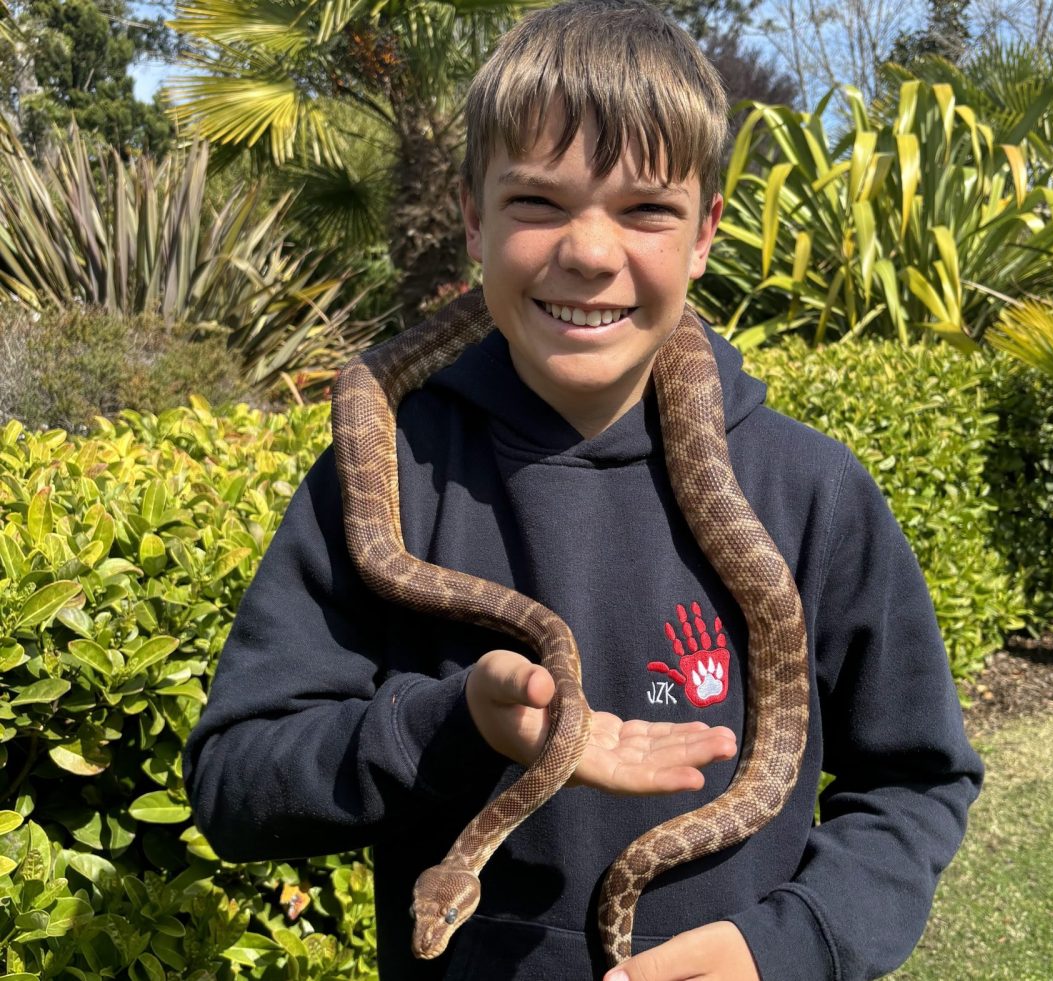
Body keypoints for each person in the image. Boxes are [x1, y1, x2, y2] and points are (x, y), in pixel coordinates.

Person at [182, 1, 984, 978]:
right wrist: (455, 723)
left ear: (704, 234)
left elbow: (915, 781)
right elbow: (231, 787)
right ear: (474, 221)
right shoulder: (389, 476)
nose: (591, 253)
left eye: (646, 209)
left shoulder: (809, 491)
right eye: (538, 203)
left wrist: (785, 947)